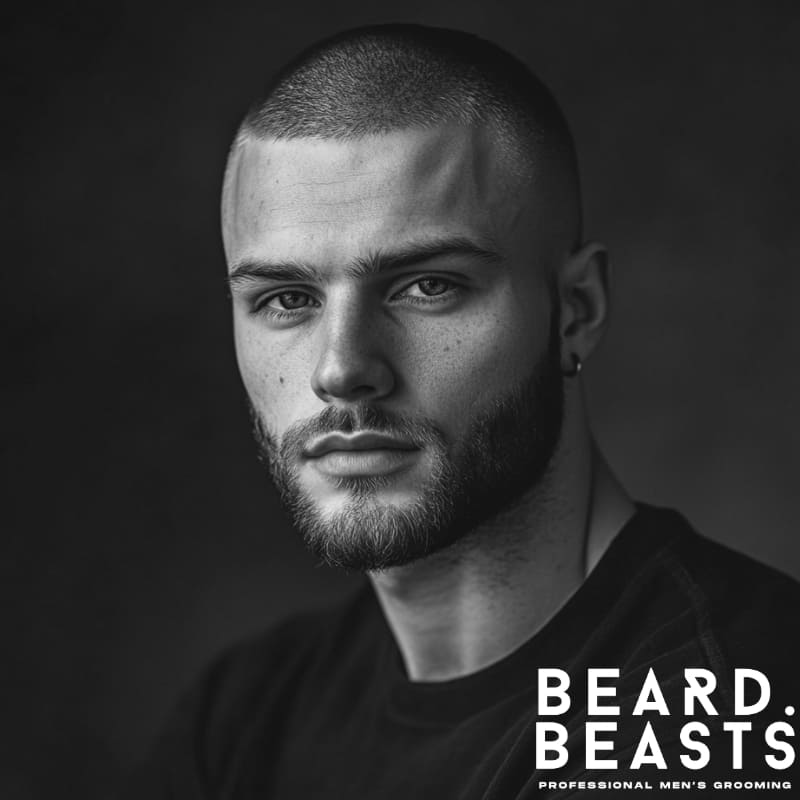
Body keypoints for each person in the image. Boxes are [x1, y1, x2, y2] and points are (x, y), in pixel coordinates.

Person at [130, 24, 800, 798]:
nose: (341, 370)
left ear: (575, 311)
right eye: (286, 299)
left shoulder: (727, 712)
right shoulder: (244, 717)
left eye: (427, 286)